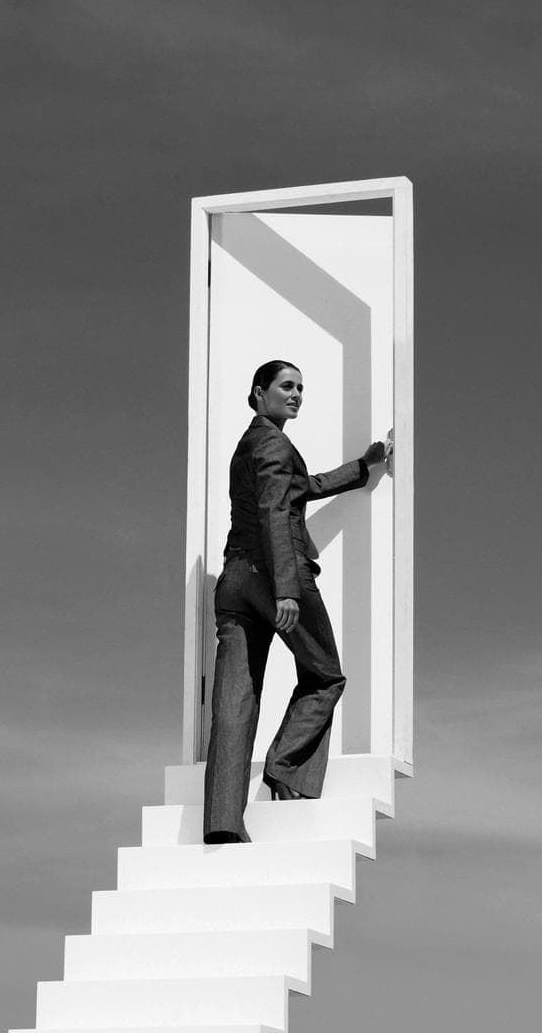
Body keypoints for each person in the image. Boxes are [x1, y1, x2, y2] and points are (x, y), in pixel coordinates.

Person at [202, 359, 390, 845]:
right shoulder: (272, 443)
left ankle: (223, 820)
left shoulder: (250, 445)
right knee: (325, 675)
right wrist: (286, 588)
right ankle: (285, 768)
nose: (296, 394)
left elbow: (308, 488)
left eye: (301, 388)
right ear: (259, 392)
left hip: (235, 579)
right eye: (287, 386)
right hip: (273, 575)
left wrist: (365, 465)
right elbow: (271, 511)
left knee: (234, 699)